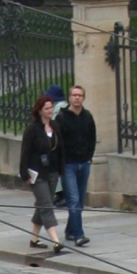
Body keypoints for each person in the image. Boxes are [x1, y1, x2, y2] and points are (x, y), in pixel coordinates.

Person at [19, 94, 63, 252]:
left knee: (42, 204)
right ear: (39, 111)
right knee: (46, 205)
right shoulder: (32, 129)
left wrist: (61, 170)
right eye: (47, 108)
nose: (50, 111)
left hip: (52, 172)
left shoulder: (55, 127)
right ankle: (56, 241)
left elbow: (60, 150)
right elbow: (25, 152)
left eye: (51, 107)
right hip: (36, 174)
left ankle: (34, 239)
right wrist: (24, 174)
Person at [55, 84, 96, 247]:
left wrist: (89, 157)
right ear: (70, 98)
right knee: (73, 199)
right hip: (68, 165)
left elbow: (92, 138)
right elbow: (58, 143)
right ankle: (79, 235)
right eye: (74, 95)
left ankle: (70, 230)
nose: (77, 98)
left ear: (83, 98)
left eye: (80, 95)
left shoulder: (87, 117)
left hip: (83, 163)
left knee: (79, 201)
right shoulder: (62, 118)